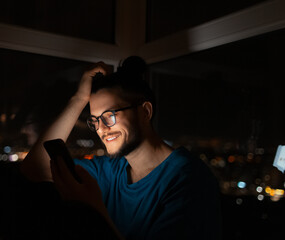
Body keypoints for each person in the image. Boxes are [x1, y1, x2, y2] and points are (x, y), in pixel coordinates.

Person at [21, 56, 222, 239]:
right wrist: (79, 99)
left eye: (110, 116)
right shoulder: (110, 170)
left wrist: (95, 211)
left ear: (145, 111)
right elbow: (35, 168)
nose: (101, 129)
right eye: (95, 120)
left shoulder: (189, 180)